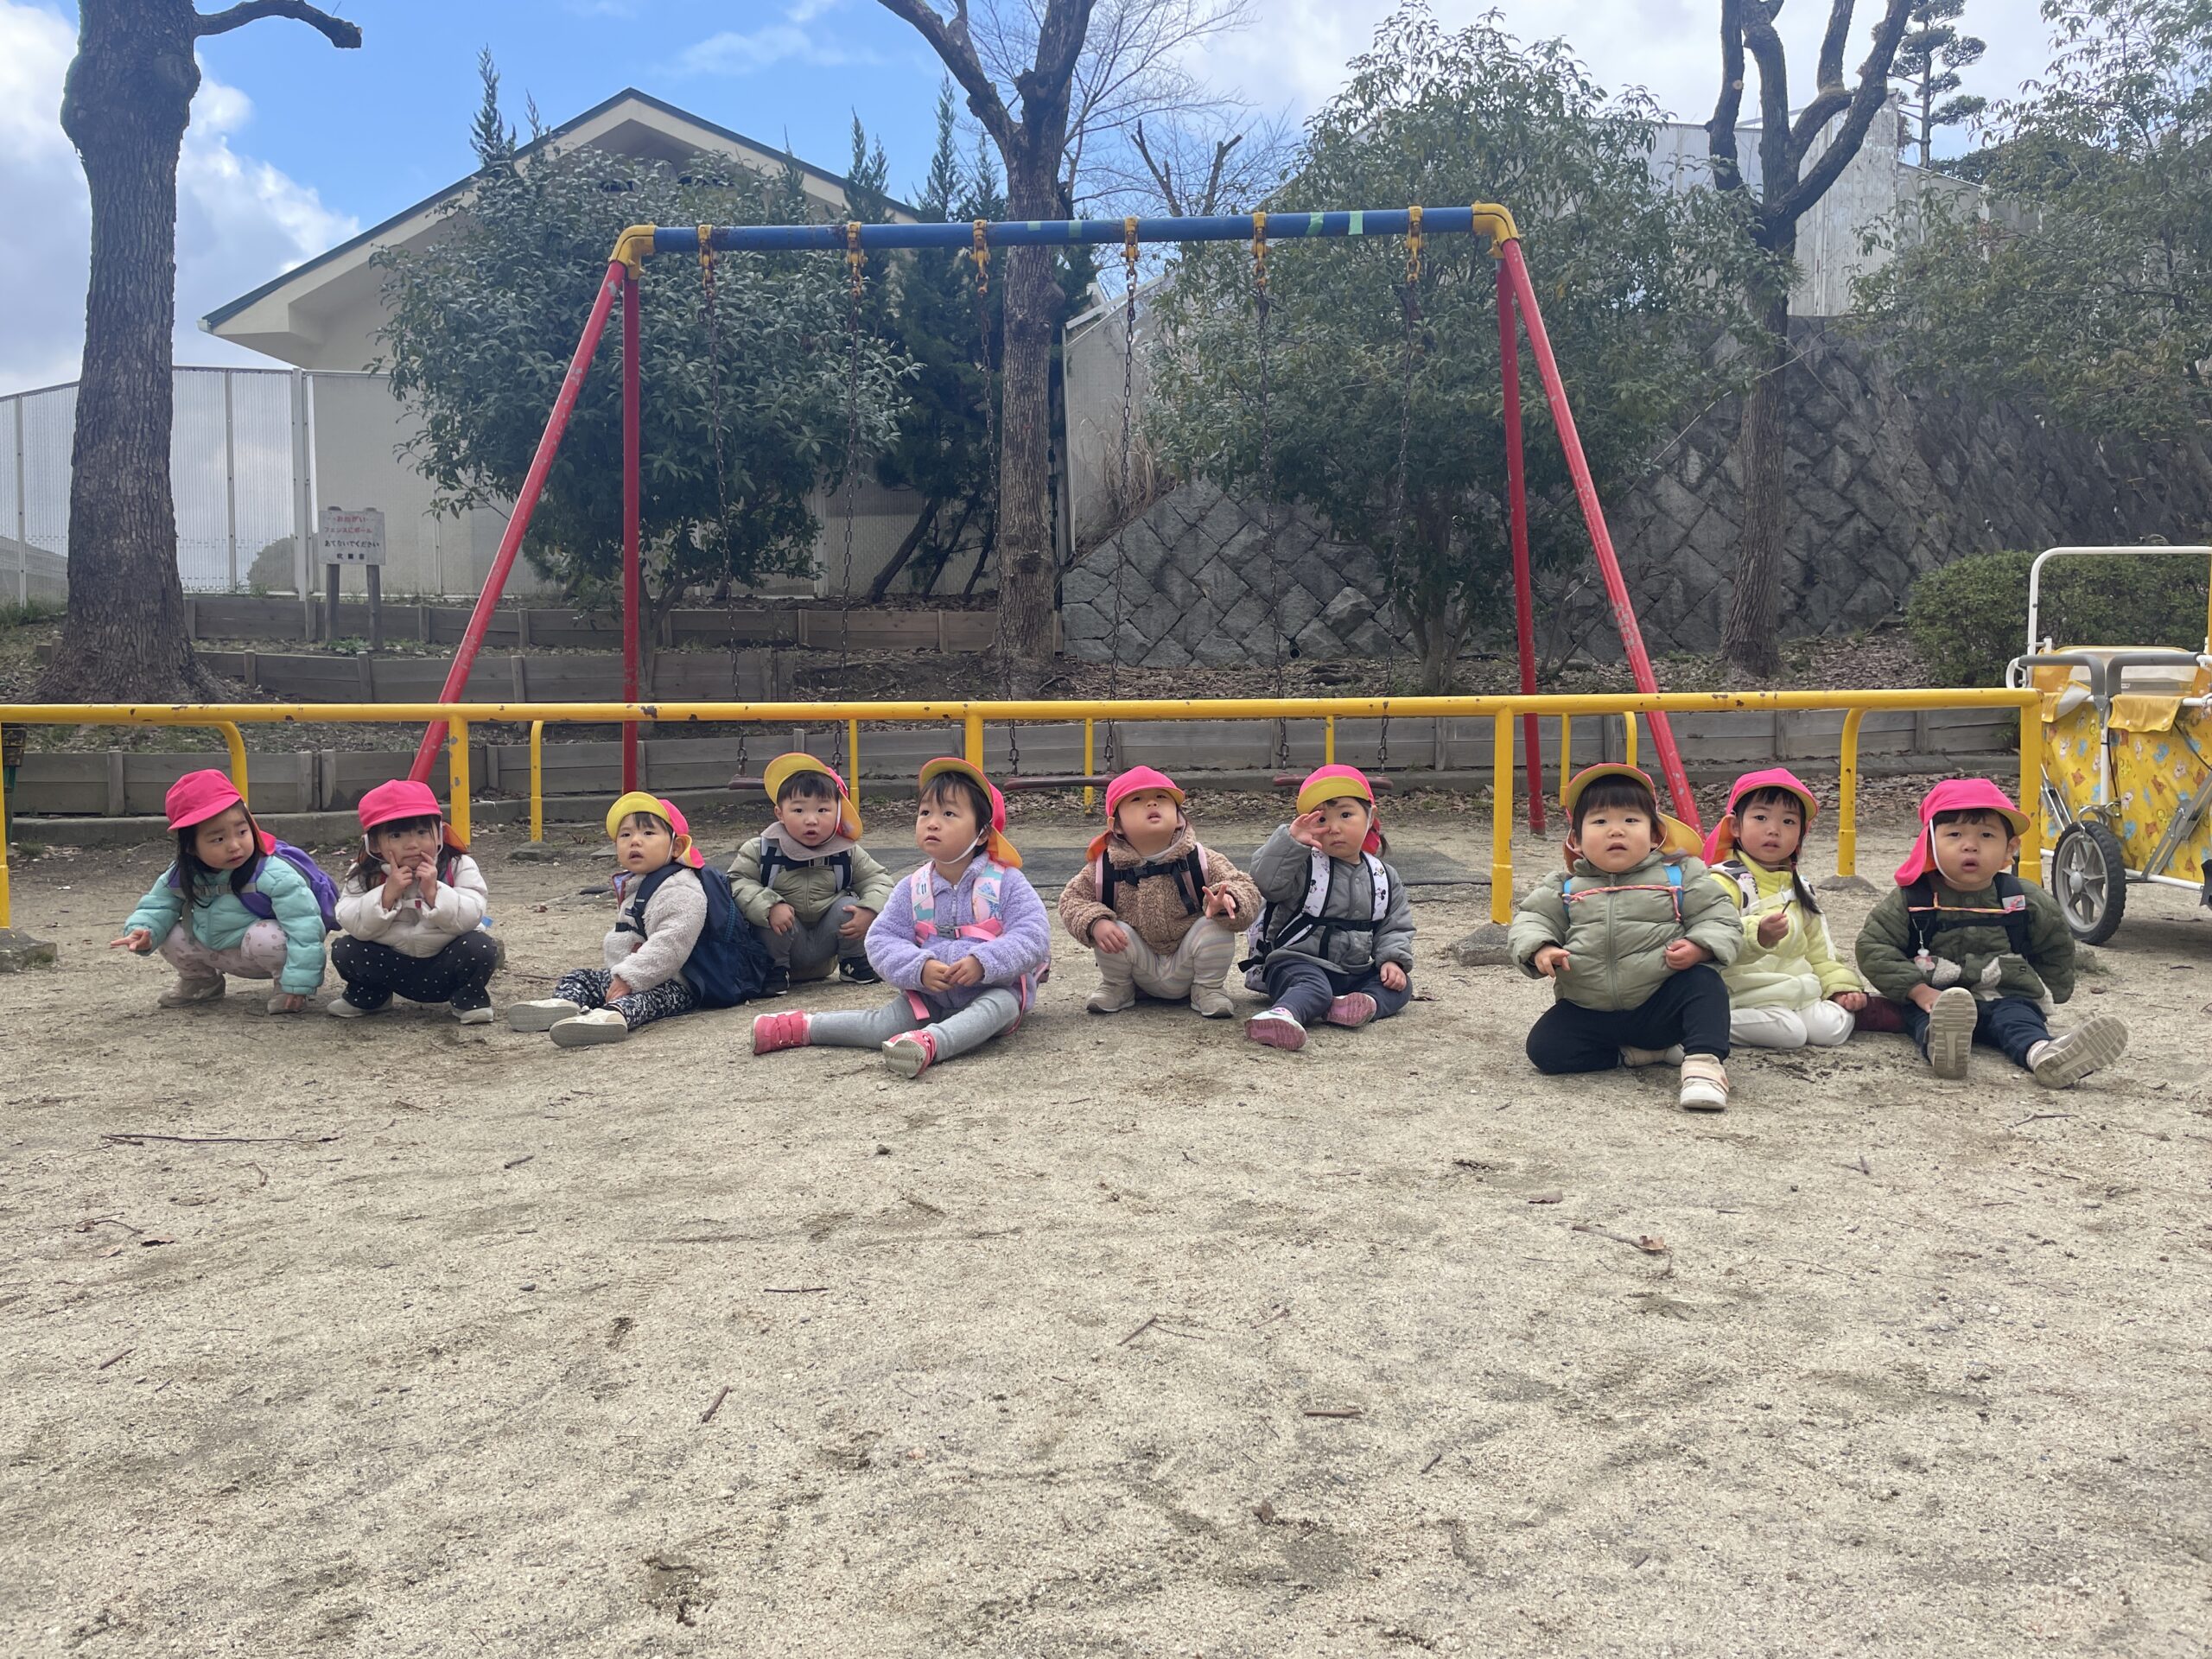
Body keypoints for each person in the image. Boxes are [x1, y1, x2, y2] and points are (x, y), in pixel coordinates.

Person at [752, 757, 1050, 1078]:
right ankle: (804, 1027)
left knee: (997, 1009)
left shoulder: (1005, 882)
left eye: (949, 814)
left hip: (992, 987)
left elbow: (1034, 935)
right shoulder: (914, 886)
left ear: (982, 833)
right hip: (930, 994)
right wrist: (919, 968)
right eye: (925, 813)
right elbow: (882, 939)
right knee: (882, 1024)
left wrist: (984, 961)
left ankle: (930, 1043)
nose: (932, 823)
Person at [1855, 779, 2128, 1086]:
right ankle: (1943, 1049)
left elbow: (2055, 944)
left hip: (2005, 994)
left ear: (2009, 848)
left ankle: (2044, 1055)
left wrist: (2047, 990)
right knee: (1930, 1019)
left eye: (1986, 835)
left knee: (2020, 1020)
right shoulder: (1912, 899)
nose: (1970, 845)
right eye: (1954, 834)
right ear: (1930, 843)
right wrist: (1917, 990)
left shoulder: (2024, 899)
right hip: (1939, 998)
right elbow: (1874, 947)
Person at [1509, 764, 1743, 1109]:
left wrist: (1699, 947)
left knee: (1704, 984)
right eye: (1600, 821)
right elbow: (1532, 919)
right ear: (1576, 840)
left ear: (1655, 835)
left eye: (1631, 820)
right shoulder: (1566, 886)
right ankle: (1634, 1055)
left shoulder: (1679, 876)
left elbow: (1720, 917)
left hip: (1661, 1005)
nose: (1615, 830)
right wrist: (1541, 948)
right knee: (1546, 1048)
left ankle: (1704, 1067)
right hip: (1591, 1008)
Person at [111, 770, 329, 1014]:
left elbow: (304, 926)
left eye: (242, 832)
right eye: (218, 839)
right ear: (191, 847)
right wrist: (142, 931)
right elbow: (157, 906)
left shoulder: (272, 872)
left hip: (264, 954)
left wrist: (299, 982)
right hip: (215, 950)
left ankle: (285, 988)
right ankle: (202, 982)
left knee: (268, 935)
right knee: (168, 931)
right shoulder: (183, 872)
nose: (234, 846)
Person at [1058, 765, 1262, 1019]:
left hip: (1189, 963)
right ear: (1116, 825)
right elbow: (1071, 899)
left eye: (1162, 797)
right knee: (1112, 928)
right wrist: (1095, 922)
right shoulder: (1104, 867)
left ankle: (1208, 989)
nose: (1152, 803)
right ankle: (1117, 987)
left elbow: (1245, 884)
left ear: (1178, 817)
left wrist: (1230, 900)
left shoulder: (1200, 859)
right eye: (1137, 799)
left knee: (1212, 927)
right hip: (1137, 969)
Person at [508, 792, 712, 1047]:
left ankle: (612, 1017)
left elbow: (670, 947)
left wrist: (628, 978)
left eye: (648, 833)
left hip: (677, 983)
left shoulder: (681, 889)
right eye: (625, 835)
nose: (635, 841)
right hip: (632, 974)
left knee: (641, 1001)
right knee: (580, 977)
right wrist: (623, 975)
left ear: (677, 847)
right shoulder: (638, 882)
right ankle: (564, 1004)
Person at [1242, 765, 1414, 1052]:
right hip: (1296, 963)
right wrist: (1289, 842)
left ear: (1371, 817)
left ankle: (1360, 1005)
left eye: (1346, 815)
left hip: (1352, 971)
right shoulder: (1303, 865)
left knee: (1401, 986)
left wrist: (1392, 961)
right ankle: (1282, 1015)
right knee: (1314, 987)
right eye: (1322, 819)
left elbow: (1395, 926)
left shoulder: (1384, 876)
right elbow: (1265, 883)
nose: (1334, 828)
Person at [1701, 767, 1866, 1051]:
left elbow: (1820, 949)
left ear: (1801, 833)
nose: (1774, 830)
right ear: (1736, 826)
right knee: (1790, 1033)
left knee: (1831, 1028)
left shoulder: (1800, 887)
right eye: (1761, 818)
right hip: (1743, 994)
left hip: (1797, 991)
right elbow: (1709, 941)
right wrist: (1757, 935)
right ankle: (1699, 1026)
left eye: (1789, 821)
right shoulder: (1724, 881)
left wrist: (1840, 986)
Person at [327, 779, 497, 1024]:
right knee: (345, 949)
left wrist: (434, 892)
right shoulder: (364, 873)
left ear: (439, 834)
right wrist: (386, 895)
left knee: (480, 947)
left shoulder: (457, 865)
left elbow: (473, 914)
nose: (412, 844)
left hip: (444, 962)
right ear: (374, 843)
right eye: (396, 835)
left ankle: (468, 998)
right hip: (392, 965)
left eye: (421, 832)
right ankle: (370, 996)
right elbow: (351, 920)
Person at [728, 754, 895, 995]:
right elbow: (738, 881)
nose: (811, 820)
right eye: (798, 810)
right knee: (767, 913)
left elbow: (878, 879)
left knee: (848, 906)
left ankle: (853, 961)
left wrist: (870, 909)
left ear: (838, 812)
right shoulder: (761, 849)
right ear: (780, 813)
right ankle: (776, 969)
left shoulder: (846, 851)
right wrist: (768, 905)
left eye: (823, 810)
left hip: (826, 945)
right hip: (783, 939)